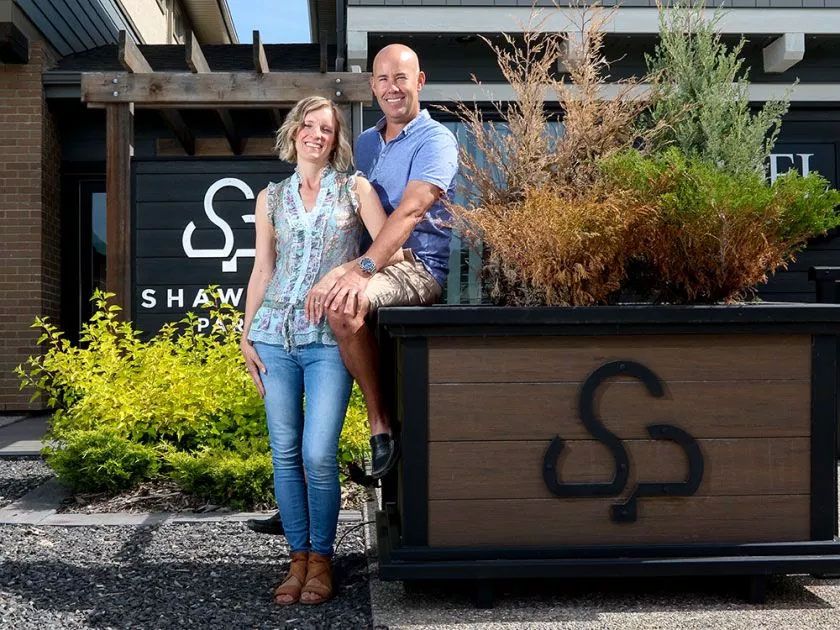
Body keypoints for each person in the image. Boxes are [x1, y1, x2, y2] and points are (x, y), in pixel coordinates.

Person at [240, 96, 401, 605]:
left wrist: (352, 274)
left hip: (327, 340)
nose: (316, 134)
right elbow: (263, 267)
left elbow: (388, 246)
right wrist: (245, 334)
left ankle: (324, 561)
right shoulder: (270, 198)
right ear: (294, 133)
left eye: (326, 128)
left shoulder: (354, 188)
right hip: (273, 336)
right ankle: (297, 561)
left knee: (317, 453)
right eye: (308, 125)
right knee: (285, 455)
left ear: (336, 141)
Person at [320, 43, 459, 478]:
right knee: (299, 317)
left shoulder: (437, 140)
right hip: (367, 261)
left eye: (401, 78)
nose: (391, 88)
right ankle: (305, 476)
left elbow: (412, 210)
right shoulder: (365, 143)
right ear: (372, 86)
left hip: (416, 267)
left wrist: (361, 270)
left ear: (419, 81)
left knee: (343, 306)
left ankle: (381, 430)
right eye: (382, 79)